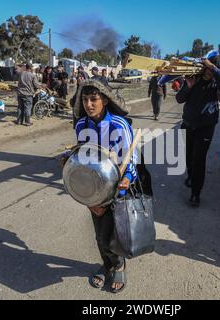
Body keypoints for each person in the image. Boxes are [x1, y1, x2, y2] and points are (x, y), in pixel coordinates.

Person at [70, 79, 138, 293]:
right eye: (85, 99)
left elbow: (131, 158)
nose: (89, 104)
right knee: (99, 233)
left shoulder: (119, 125)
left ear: (106, 100)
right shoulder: (81, 125)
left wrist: (125, 182)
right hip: (92, 189)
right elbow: (82, 157)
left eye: (94, 99)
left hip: (117, 188)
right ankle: (107, 263)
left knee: (111, 234)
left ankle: (118, 264)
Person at [176, 54, 220, 207]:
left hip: (205, 129)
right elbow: (179, 99)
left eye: (213, 69)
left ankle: (195, 193)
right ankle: (191, 176)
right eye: (207, 68)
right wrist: (189, 87)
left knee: (199, 159)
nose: (209, 72)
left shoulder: (217, 85)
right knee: (188, 156)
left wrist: (214, 68)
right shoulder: (194, 80)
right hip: (187, 125)